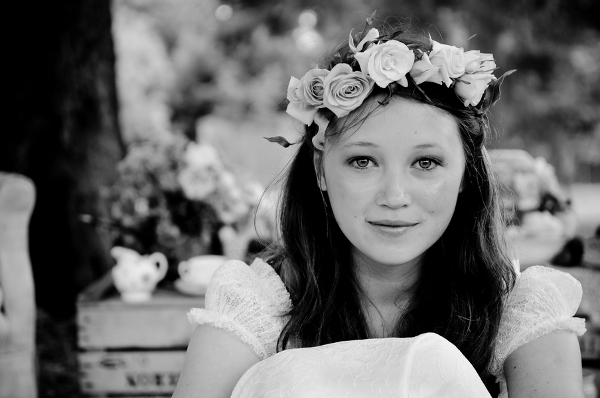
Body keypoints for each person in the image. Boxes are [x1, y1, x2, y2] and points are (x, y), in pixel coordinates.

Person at [172, 17, 586, 398]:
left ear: (465, 174)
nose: (394, 195)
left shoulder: (519, 312)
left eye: (426, 163)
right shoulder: (259, 304)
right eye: (362, 161)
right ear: (320, 169)